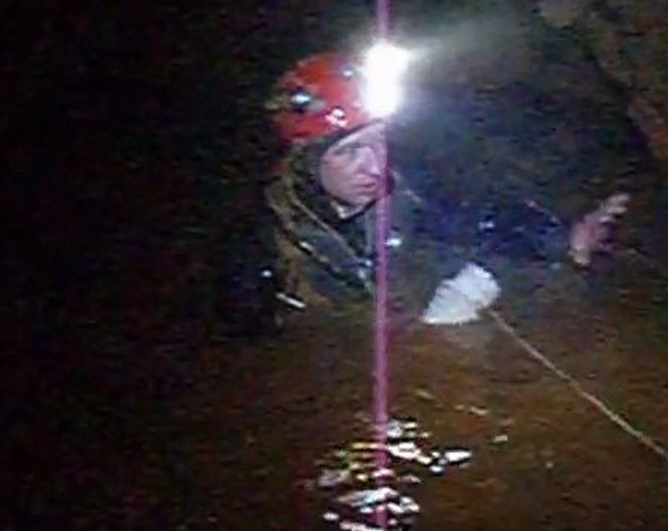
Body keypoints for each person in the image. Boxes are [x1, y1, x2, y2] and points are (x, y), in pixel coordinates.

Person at [220, 49, 629, 335]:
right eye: (351, 152)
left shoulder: (410, 192)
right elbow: (251, 357)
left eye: (381, 141)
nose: (377, 166)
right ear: (306, 164)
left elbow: (496, 217)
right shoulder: (258, 244)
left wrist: (565, 241)